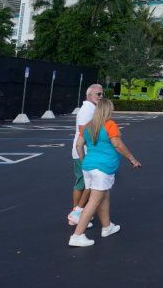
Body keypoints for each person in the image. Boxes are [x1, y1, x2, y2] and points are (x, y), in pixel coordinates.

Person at [70, 99, 142, 247]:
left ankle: (107, 227)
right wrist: (132, 159)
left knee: (104, 196)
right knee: (94, 201)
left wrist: (84, 161)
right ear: (108, 110)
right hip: (103, 168)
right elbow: (117, 144)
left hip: (89, 166)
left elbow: (79, 145)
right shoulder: (110, 125)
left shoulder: (88, 126)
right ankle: (77, 235)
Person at [68, 84, 103, 227]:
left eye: (102, 94)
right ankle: (75, 215)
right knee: (83, 183)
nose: (101, 96)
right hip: (83, 153)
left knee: (87, 183)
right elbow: (84, 132)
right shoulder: (86, 110)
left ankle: (80, 213)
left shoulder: (92, 108)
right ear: (89, 95)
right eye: (98, 94)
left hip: (87, 152)